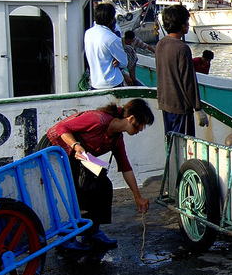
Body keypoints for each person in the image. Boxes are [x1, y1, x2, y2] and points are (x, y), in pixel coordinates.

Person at [46, 98, 154, 252]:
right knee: (74, 190)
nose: (141, 130)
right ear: (131, 119)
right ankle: (66, 238)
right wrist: (75, 145)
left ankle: (91, 232)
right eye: (141, 125)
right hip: (56, 150)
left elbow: (125, 167)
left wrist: (138, 196)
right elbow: (60, 128)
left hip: (80, 156)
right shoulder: (98, 119)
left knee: (102, 184)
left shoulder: (117, 138)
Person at [154, 4, 209, 138]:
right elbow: (189, 81)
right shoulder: (182, 48)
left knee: (171, 142)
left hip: (165, 102)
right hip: (180, 106)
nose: (188, 25)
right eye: (187, 22)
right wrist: (198, 108)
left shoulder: (160, 44)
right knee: (184, 144)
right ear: (182, 25)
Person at [85, 1, 130, 90]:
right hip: (112, 83)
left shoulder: (88, 33)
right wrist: (117, 61)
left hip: (95, 82)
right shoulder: (112, 38)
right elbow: (124, 63)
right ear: (111, 19)